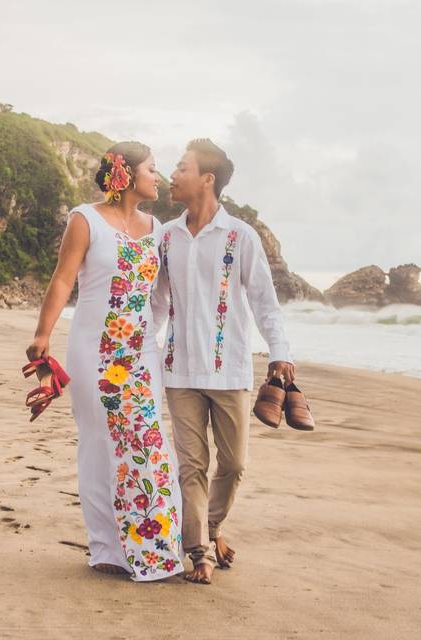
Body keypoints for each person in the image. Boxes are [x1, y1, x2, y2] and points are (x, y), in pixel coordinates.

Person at [26, 141, 184, 581]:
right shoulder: (85, 219)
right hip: (92, 347)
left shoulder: (157, 229)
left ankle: (158, 549)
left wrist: (149, 336)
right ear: (127, 174)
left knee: (149, 440)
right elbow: (62, 280)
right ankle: (107, 550)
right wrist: (42, 334)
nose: (159, 175)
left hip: (140, 351)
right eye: (152, 168)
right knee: (100, 443)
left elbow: (160, 296)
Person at [156, 138, 294, 584]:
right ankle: (198, 552)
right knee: (191, 466)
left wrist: (280, 353)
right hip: (178, 369)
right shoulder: (167, 236)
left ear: (207, 179)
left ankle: (210, 528)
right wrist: (135, 349)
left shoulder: (241, 237)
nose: (172, 175)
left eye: (182, 167)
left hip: (229, 369)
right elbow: (156, 304)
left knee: (233, 465)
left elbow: (264, 303)